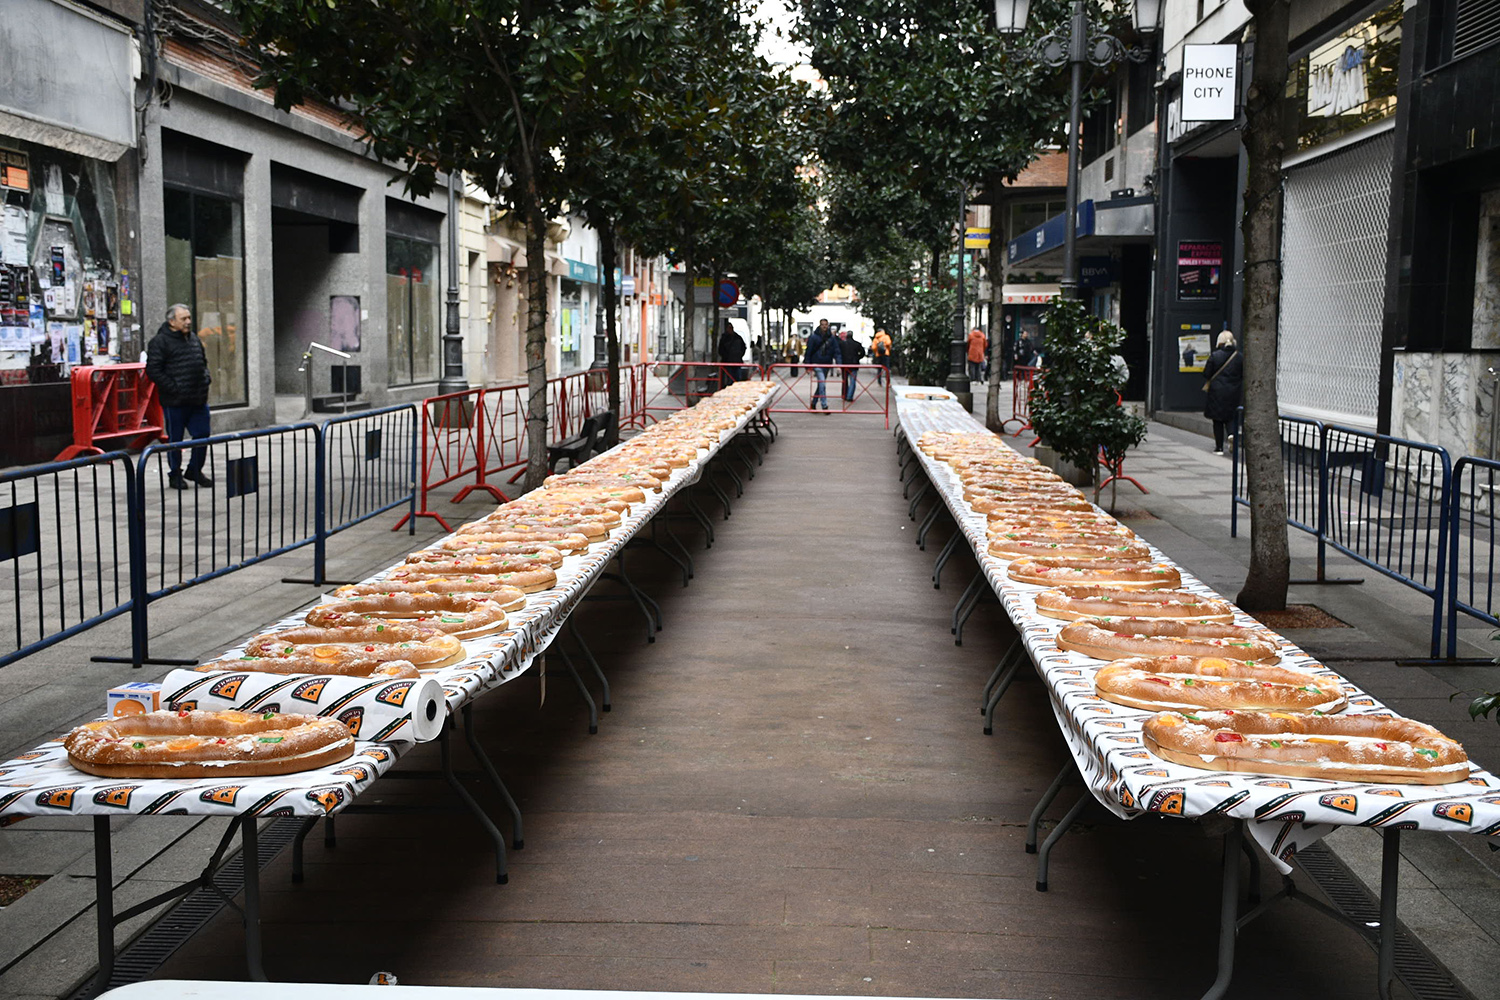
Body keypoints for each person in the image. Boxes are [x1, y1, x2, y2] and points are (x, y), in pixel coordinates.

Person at [146, 303, 213, 489]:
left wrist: (206, 378)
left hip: (198, 399)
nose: (188, 322)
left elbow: (203, 361)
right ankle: (175, 473)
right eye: (183, 319)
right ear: (172, 322)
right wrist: (174, 387)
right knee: (175, 439)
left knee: (202, 435)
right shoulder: (160, 342)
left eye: (189, 318)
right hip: (175, 401)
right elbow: (153, 370)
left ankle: (194, 470)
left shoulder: (193, 339)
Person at [1201, 329, 1243, 455]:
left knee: (1217, 420)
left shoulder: (1215, 356)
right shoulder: (1239, 356)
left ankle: (1219, 448)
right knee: (1230, 417)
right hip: (1234, 392)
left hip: (1217, 392)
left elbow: (1207, 373)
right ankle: (1231, 435)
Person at [803, 318, 839, 411]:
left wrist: (839, 364)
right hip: (816, 363)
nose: (824, 326)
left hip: (827, 364)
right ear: (820, 325)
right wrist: (807, 365)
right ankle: (824, 405)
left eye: (825, 324)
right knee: (822, 382)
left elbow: (836, 351)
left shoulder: (831, 338)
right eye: (822, 324)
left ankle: (814, 403)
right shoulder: (814, 337)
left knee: (821, 384)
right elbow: (809, 351)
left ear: (828, 325)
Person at [839, 329, 866, 402]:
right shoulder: (857, 344)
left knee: (845, 380)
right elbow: (863, 353)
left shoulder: (842, 344)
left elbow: (839, 353)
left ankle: (844, 394)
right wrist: (858, 358)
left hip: (844, 364)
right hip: (854, 364)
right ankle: (849, 396)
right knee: (852, 381)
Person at [717, 319, 746, 383]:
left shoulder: (738, 337)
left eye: (731, 328)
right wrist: (726, 357)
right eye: (729, 328)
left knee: (737, 378)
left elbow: (743, 347)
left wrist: (739, 355)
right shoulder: (724, 338)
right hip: (728, 362)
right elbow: (720, 349)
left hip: (736, 361)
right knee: (730, 378)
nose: (730, 329)